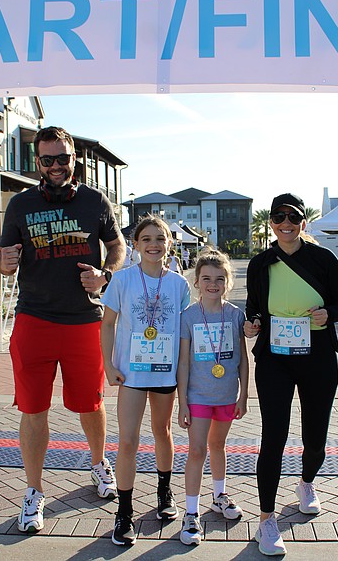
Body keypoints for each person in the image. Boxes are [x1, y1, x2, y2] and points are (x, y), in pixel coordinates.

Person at [0, 126, 125, 534]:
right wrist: (4, 262)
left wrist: (105, 274)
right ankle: (33, 491)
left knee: (91, 403)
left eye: (62, 158)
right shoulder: (20, 204)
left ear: (74, 159)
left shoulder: (94, 201)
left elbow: (118, 246)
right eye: (48, 159)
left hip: (84, 320)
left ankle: (98, 463)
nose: (56, 166)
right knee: (33, 409)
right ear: (37, 162)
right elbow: (1, 259)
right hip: (34, 319)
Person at [243, 193, 338, 556]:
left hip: (317, 355)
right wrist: (253, 323)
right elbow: (254, 306)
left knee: (315, 436)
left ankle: (306, 482)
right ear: (271, 223)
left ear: (303, 223)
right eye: (279, 217)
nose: (286, 223)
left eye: (293, 217)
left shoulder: (323, 258)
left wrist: (329, 314)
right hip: (275, 356)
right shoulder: (261, 263)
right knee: (273, 436)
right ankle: (266, 519)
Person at [100, 215, 191, 546]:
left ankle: (164, 491)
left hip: (165, 371)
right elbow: (107, 324)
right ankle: (124, 512)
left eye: (160, 238)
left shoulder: (179, 284)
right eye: (147, 239)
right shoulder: (122, 280)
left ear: (170, 244)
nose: (154, 245)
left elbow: (184, 333)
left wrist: (184, 376)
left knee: (162, 431)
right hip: (132, 372)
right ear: (135, 244)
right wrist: (109, 365)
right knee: (128, 441)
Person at [177, 248, 249, 546]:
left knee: (218, 446)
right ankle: (191, 513)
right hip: (198, 396)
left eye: (219, 279)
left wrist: (244, 395)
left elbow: (243, 359)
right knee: (197, 451)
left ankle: (219, 496)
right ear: (196, 281)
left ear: (227, 282)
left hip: (226, 395)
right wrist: (182, 402)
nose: (213, 284)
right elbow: (183, 362)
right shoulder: (188, 316)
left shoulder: (235, 315)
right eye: (206, 278)